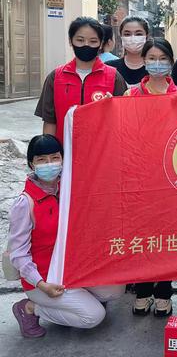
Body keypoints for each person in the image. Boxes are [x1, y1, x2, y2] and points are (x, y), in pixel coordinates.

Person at [8, 135, 125, 338]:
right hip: (45, 279)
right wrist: (41, 284)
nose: (50, 164)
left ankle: (74, 302)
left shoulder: (69, 189)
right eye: (42, 160)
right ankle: (29, 308)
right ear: (31, 164)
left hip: (73, 270)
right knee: (94, 316)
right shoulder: (25, 203)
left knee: (115, 290)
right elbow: (18, 254)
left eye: (55, 157)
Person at [124, 38, 177, 316]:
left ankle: (164, 292)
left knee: (169, 238)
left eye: (163, 58)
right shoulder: (130, 95)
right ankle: (144, 289)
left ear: (171, 61)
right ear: (144, 61)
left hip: (173, 177)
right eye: (152, 58)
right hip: (140, 178)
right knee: (143, 237)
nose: (157, 63)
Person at [34, 17, 127, 144]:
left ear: (100, 43)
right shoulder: (55, 77)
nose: (86, 45)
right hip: (65, 153)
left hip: (100, 154)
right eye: (80, 40)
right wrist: (50, 153)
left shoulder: (114, 77)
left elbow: (123, 120)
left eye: (93, 41)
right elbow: (50, 121)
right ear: (70, 41)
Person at [106, 16, 150, 86]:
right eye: (127, 34)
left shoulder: (154, 69)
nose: (133, 38)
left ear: (146, 36)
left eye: (138, 34)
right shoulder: (109, 68)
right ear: (121, 37)